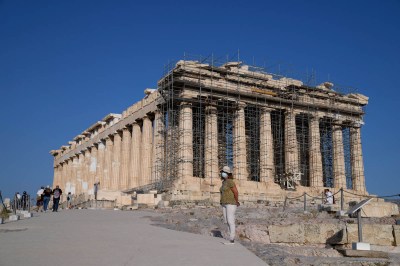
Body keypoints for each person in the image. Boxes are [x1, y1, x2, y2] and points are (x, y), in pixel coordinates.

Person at [219, 166, 240, 245]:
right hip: (224, 203)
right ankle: (229, 237)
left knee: (231, 220)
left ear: (228, 173)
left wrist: (237, 201)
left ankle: (232, 239)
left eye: (224, 172)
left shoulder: (230, 181)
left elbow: (236, 192)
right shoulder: (223, 182)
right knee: (226, 220)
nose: (223, 173)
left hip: (231, 203)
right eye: (222, 172)